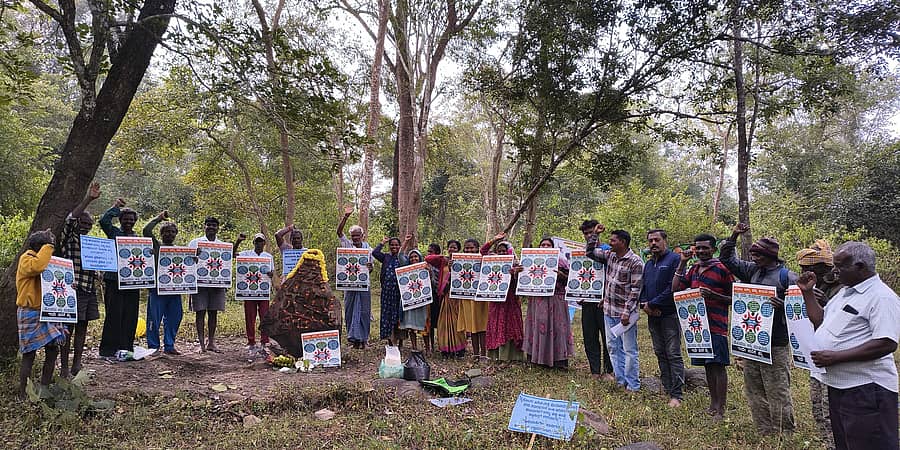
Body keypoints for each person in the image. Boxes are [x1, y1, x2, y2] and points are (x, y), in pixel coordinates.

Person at [797, 242, 899, 450]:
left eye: (840, 266)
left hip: (867, 390)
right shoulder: (845, 293)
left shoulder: (882, 297)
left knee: (872, 444)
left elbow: (886, 343)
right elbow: (821, 322)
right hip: (840, 387)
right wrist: (808, 293)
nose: (834, 271)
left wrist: (836, 357)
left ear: (860, 267)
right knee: (847, 443)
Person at [720, 223, 796, 434]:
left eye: (758, 255)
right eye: (752, 254)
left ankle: (785, 431)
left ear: (771, 256)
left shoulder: (787, 277)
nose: (754, 258)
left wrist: (783, 306)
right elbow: (726, 259)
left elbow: (801, 308)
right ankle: (764, 428)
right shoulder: (752, 270)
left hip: (775, 342)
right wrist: (734, 235)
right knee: (754, 387)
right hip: (750, 340)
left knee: (777, 388)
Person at [672, 233, 734, 420]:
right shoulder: (694, 269)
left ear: (713, 249)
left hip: (716, 325)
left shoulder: (722, 269)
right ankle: (712, 404)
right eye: (697, 248)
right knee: (708, 366)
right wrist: (682, 262)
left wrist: (714, 295)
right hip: (698, 327)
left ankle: (721, 408)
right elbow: (676, 289)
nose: (700, 251)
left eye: (705, 248)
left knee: (718, 366)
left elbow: (735, 299)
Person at [586, 224, 644, 392]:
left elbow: (635, 289)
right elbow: (590, 252)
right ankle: (620, 381)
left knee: (629, 349)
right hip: (609, 310)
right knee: (613, 347)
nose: (609, 243)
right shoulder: (610, 255)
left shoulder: (635, 262)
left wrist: (627, 312)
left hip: (625, 315)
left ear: (623, 242)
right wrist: (595, 235)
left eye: (613, 240)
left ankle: (633, 385)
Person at [797, 239, 841, 449]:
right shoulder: (811, 287)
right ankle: (827, 443)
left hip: (838, 359)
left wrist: (825, 303)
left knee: (831, 409)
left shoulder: (842, 289)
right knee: (818, 408)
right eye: (802, 269)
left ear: (822, 268)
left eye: (808, 268)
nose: (804, 272)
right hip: (816, 356)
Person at [58, 182, 101, 377]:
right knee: (68, 328)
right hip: (72, 289)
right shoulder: (69, 238)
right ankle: (65, 367)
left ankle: (77, 364)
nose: (85, 227)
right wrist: (89, 199)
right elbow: (70, 219)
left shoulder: (92, 244)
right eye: (82, 224)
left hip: (88, 289)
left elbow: (96, 265)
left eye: (88, 225)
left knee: (83, 326)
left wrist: (99, 272)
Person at [16, 229, 66, 399]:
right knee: (29, 353)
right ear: (38, 247)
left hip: (49, 311)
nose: (51, 249)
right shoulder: (26, 259)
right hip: (30, 311)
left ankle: (43, 388)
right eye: (47, 246)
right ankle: (23, 392)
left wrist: (68, 288)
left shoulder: (47, 262)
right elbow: (37, 267)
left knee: (53, 350)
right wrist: (49, 244)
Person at [640, 229, 684, 407]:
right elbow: (643, 287)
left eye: (656, 240)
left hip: (669, 314)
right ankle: (666, 386)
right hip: (652, 315)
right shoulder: (649, 264)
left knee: (673, 353)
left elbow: (673, 288)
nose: (653, 244)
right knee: (659, 351)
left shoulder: (674, 259)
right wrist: (645, 305)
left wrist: (653, 304)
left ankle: (677, 394)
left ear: (665, 240)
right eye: (650, 241)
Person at [522, 237, 574, 368]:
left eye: (548, 245)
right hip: (537, 300)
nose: (545, 247)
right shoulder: (531, 261)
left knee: (557, 328)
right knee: (537, 327)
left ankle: (559, 361)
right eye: (542, 245)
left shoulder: (562, 261)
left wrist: (562, 276)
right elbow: (523, 280)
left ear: (554, 247)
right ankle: (535, 358)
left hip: (556, 299)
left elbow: (572, 281)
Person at [98, 197, 140, 357]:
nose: (128, 222)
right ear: (120, 220)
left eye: (131, 220)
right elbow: (103, 221)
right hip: (114, 279)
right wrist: (115, 207)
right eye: (125, 219)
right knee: (113, 315)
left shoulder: (138, 239)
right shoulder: (114, 232)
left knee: (130, 315)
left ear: (135, 221)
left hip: (133, 282)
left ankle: (126, 348)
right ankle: (108, 349)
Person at [188, 216, 233, 353]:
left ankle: (211, 343)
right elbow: (186, 261)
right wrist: (194, 257)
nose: (211, 227)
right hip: (199, 284)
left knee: (213, 313)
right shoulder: (195, 243)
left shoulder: (222, 245)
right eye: (209, 224)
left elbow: (227, 261)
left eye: (214, 225)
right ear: (204, 226)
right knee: (200, 312)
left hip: (217, 285)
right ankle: (201, 344)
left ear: (217, 228)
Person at [143, 210, 185, 355]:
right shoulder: (156, 246)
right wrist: (158, 218)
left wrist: (194, 258)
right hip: (157, 289)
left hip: (175, 290)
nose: (170, 234)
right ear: (161, 234)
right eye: (167, 232)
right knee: (154, 317)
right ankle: (153, 346)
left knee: (176, 316)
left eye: (173, 232)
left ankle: (169, 345)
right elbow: (146, 230)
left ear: (176, 234)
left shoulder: (180, 251)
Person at [579, 219, 615, 380]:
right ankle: (594, 371)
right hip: (587, 302)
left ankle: (609, 370)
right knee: (589, 336)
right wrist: (577, 294)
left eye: (591, 232)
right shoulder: (581, 253)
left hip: (604, 302)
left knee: (607, 337)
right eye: (586, 233)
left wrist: (606, 296)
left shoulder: (608, 250)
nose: (588, 236)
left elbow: (613, 276)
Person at [482, 233, 524, 361]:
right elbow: (483, 251)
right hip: (496, 300)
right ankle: (496, 355)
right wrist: (494, 240)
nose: (501, 253)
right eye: (499, 251)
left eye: (504, 251)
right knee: (496, 325)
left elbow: (522, 283)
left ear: (509, 252)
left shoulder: (516, 264)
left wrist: (515, 274)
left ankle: (512, 356)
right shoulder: (492, 261)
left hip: (510, 301)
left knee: (511, 325)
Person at [336, 205, 372, 349]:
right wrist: (346, 216)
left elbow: (370, 268)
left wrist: (370, 267)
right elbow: (339, 232)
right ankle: (352, 339)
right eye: (353, 236)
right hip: (349, 285)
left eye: (358, 235)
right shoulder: (347, 244)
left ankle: (363, 339)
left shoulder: (368, 248)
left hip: (364, 285)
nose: (355, 238)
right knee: (350, 310)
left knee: (364, 310)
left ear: (362, 236)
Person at [235, 232, 275, 356]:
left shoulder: (268, 256)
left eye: (261, 241)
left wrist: (270, 274)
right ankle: (251, 342)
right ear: (254, 243)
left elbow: (272, 272)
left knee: (264, 316)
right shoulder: (246, 254)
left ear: (264, 243)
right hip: (249, 292)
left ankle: (264, 341)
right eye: (257, 241)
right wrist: (238, 241)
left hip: (262, 292)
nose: (259, 243)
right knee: (250, 317)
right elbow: (232, 255)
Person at [426, 240, 466, 357]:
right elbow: (428, 258)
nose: (452, 249)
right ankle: (446, 349)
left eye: (454, 248)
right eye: (450, 247)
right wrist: (445, 258)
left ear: (458, 250)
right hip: (445, 296)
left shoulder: (464, 261)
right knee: (444, 323)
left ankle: (459, 349)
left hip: (457, 297)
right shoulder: (443, 261)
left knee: (457, 323)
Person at [372, 236, 407, 346]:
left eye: (396, 245)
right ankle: (390, 340)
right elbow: (375, 253)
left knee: (398, 316)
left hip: (399, 293)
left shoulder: (403, 258)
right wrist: (382, 242)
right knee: (387, 315)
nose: (394, 247)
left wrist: (406, 241)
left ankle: (400, 340)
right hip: (387, 293)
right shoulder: (386, 257)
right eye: (392, 245)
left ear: (400, 246)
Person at [458, 238, 488, 357]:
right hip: (467, 298)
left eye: (472, 247)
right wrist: (452, 266)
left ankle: (483, 354)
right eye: (467, 248)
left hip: (481, 298)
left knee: (482, 326)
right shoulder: (459, 261)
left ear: (477, 248)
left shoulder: (483, 259)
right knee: (472, 326)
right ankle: (475, 354)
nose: (469, 250)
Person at [399, 245, 428, 350]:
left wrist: (429, 271)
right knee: (411, 326)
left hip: (422, 302)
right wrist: (406, 242)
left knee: (424, 325)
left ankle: (428, 348)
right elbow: (400, 255)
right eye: (411, 257)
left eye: (416, 256)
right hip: (410, 301)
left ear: (420, 257)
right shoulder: (406, 269)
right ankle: (414, 347)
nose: (414, 259)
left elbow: (431, 283)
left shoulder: (425, 268)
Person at [424, 243, 443, 353]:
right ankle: (431, 345)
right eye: (428, 251)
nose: (428, 254)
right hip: (428, 296)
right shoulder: (426, 265)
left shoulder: (442, 264)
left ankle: (441, 344)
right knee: (430, 323)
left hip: (439, 296)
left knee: (439, 322)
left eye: (431, 251)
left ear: (437, 253)